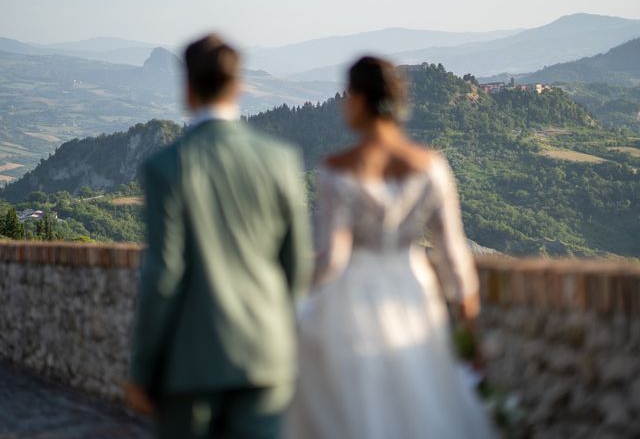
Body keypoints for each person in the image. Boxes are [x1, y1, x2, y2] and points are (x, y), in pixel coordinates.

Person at [286, 57, 497, 438]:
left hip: (351, 298)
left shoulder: (337, 168)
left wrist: (302, 302)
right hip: (412, 292)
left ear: (359, 100)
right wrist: (470, 323)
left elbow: (333, 258)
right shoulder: (431, 166)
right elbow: (453, 256)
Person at [124, 34, 312, 439]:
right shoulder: (281, 160)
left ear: (187, 87)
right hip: (266, 360)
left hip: (190, 365)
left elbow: (163, 273)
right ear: (239, 85)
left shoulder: (166, 166)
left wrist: (142, 369)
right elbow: (296, 265)